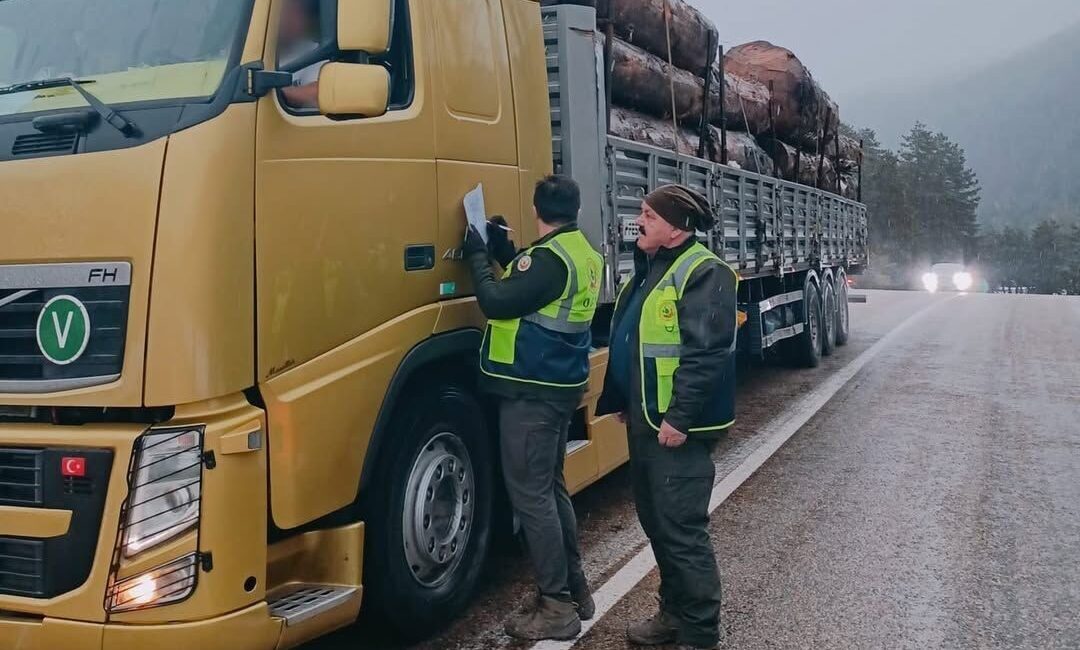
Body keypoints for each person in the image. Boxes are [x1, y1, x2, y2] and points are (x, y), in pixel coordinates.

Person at [596, 184, 739, 650]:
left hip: (675, 426)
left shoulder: (704, 273)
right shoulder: (651, 267)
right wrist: (620, 396)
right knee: (657, 522)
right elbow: (633, 338)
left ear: (677, 228)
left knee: (680, 528)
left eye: (649, 216)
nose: (640, 221)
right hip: (645, 418)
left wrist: (679, 417)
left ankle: (699, 632)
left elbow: (705, 354)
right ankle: (674, 614)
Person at [463, 174, 603, 641]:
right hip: (559, 387)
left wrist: (478, 255)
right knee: (551, 490)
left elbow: (498, 300)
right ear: (575, 209)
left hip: (533, 390)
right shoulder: (579, 252)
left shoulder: (548, 260)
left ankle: (556, 606)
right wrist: (508, 251)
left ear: (536, 209)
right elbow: (537, 286)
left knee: (533, 497)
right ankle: (575, 590)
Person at [278, 0, 325, 108]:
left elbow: (319, 93)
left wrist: (276, 93)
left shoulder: (316, 52)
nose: (290, 19)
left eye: (297, 12)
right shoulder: (243, 51)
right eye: (286, 11)